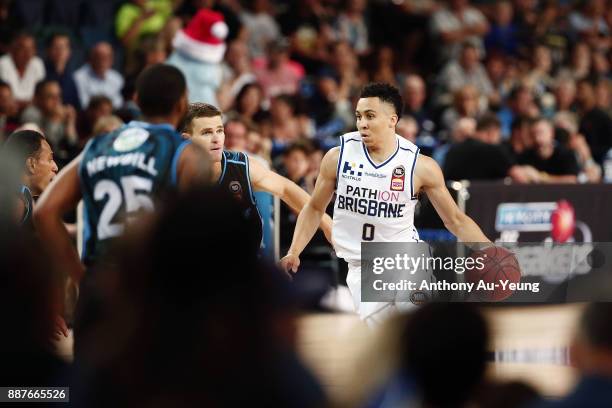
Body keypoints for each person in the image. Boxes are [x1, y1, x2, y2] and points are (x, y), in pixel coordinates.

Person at [280, 83, 490, 325]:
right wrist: (294, 251)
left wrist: (489, 250)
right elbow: (315, 208)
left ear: (392, 120)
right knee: (386, 347)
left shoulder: (420, 166)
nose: (362, 124)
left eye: (370, 116)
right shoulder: (337, 157)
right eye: (359, 116)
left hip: (404, 259)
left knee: (414, 333)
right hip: (361, 266)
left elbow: (455, 219)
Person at [34, 64, 210, 287]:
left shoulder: (97, 146)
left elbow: (44, 212)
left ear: (136, 100)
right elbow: (204, 232)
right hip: (155, 292)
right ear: (182, 103)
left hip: (102, 293)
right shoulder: (186, 153)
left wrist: (80, 277)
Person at [181, 102, 332, 250]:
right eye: (207, 132)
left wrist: (326, 224)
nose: (216, 139)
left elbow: (286, 189)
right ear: (186, 140)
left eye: (219, 130)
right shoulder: (171, 176)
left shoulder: (242, 166)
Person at [2, 130, 58, 229]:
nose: (55, 167)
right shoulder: (16, 201)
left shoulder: (24, 197)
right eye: (50, 159)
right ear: (31, 164)